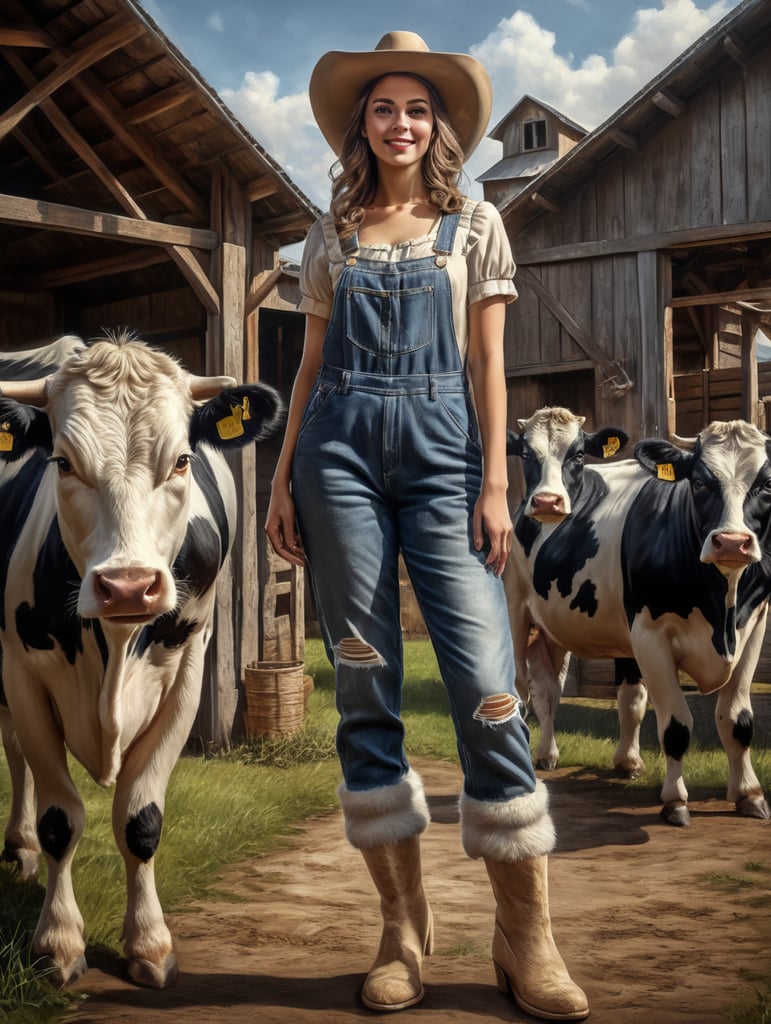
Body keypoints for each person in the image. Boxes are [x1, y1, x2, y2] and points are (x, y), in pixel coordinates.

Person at [264, 30, 589, 1022]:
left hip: (451, 464)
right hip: (339, 462)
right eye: (382, 108)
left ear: (437, 123)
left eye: (417, 108)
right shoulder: (331, 236)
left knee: (489, 686)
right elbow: (310, 369)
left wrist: (496, 482)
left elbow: (490, 366)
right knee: (364, 683)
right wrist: (282, 477)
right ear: (361, 125)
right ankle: (402, 931)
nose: (401, 123)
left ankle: (525, 938)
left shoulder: (475, 224)